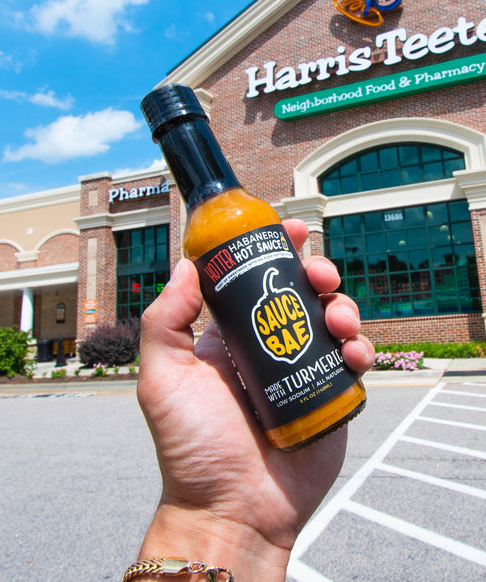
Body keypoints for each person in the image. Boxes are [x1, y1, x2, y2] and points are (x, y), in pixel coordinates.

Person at [133, 219, 375, 581]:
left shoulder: (240, 218)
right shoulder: (202, 237)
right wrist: (218, 516)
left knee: (317, 285)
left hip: (320, 382)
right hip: (275, 424)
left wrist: (225, 525)